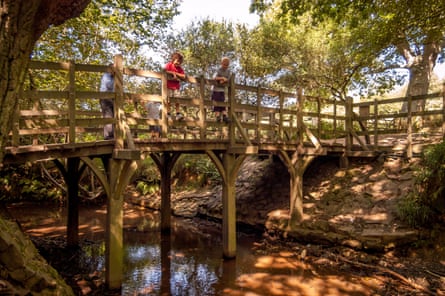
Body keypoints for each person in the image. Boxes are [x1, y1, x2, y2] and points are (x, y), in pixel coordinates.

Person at [165, 51, 186, 121]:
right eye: (177, 61)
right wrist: (173, 73)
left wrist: (176, 74)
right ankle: (168, 113)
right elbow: (165, 71)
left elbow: (183, 76)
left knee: (177, 100)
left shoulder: (180, 69)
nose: (178, 63)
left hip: (176, 87)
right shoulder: (169, 65)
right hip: (168, 86)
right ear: (173, 59)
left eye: (179, 62)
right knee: (168, 100)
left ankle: (177, 113)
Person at [211, 57, 231, 123]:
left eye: (227, 65)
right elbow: (214, 77)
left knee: (222, 103)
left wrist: (225, 80)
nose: (225, 66)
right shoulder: (218, 70)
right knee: (216, 103)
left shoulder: (228, 71)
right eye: (224, 64)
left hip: (222, 90)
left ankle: (225, 116)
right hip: (215, 90)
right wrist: (221, 78)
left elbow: (228, 79)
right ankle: (217, 116)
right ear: (221, 63)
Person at [99, 64, 115, 139]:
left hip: (112, 98)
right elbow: (109, 85)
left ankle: (113, 135)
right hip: (105, 97)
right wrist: (117, 78)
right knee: (108, 116)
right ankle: (108, 136)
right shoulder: (106, 75)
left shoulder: (114, 77)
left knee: (114, 116)